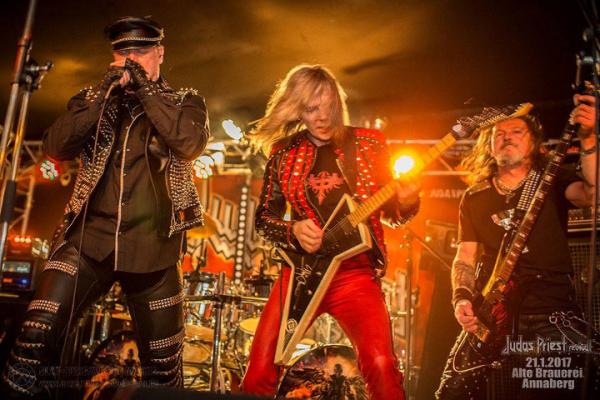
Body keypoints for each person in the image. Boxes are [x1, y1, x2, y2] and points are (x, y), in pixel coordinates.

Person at [2, 16, 209, 397]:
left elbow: (188, 143)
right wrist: (104, 94)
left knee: (164, 370)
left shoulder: (185, 103)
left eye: (140, 52)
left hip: (154, 249)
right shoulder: (92, 99)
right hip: (88, 241)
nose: (131, 59)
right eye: (123, 52)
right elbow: (55, 147)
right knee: (34, 335)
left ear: (160, 53)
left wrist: (145, 87)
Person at [241, 64, 420, 400]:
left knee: (381, 364)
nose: (321, 117)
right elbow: (264, 218)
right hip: (300, 274)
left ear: (338, 103)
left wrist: (408, 199)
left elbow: (394, 215)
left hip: (354, 275)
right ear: (297, 110)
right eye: (311, 109)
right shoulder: (283, 151)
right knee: (259, 371)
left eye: (327, 106)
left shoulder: (369, 143)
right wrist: (293, 229)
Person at [436, 96, 598, 399]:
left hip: (550, 312)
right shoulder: (475, 197)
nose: (506, 137)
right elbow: (465, 258)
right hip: (492, 311)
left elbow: (592, 194)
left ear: (535, 143)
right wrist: (461, 298)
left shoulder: (553, 179)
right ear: (489, 146)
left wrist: (588, 137)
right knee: (452, 391)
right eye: (499, 133)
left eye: (516, 132)